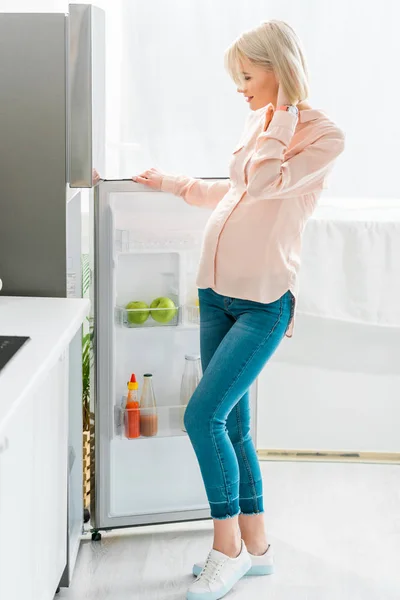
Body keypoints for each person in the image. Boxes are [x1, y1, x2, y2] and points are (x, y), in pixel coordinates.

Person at [133, 19, 344, 600]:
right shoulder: (259, 121)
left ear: (279, 67)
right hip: (216, 294)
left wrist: (280, 124)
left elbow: (267, 181)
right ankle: (258, 549)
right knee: (237, 426)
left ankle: (225, 551)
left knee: (204, 418)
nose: (241, 89)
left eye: (248, 76)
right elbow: (234, 191)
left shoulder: (323, 136)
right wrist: (174, 183)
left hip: (263, 304)